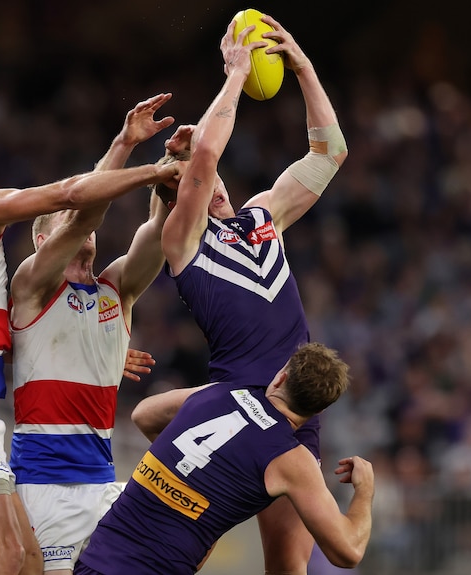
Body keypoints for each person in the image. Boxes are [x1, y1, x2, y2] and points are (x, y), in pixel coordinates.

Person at [0, 122, 179, 575]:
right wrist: (154, 170)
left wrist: (97, 350)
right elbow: (73, 198)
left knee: (24, 561)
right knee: (6, 557)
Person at [131, 12, 349, 573]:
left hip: (294, 410)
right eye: (187, 181)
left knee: (287, 566)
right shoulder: (184, 241)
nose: (209, 177)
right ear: (180, 197)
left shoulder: (261, 217)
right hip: (242, 402)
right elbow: (204, 155)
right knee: (149, 416)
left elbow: (329, 154)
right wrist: (234, 74)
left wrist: (301, 67)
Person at [8, 93, 175, 575]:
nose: (82, 227)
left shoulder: (116, 290)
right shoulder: (31, 285)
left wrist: (173, 172)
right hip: (45, 484)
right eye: (63, 222)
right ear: (43, 240)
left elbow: (158, 232)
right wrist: (124, 145)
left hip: (103, 478)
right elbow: (84, 210)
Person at [75, 343, 374, 575]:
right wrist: (365, 489)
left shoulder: (220, 393)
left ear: (281, 377)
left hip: (94, 561)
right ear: (318, 412)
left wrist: (189, 471)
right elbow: (347, 551)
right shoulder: (292, 459)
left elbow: (144, 414)